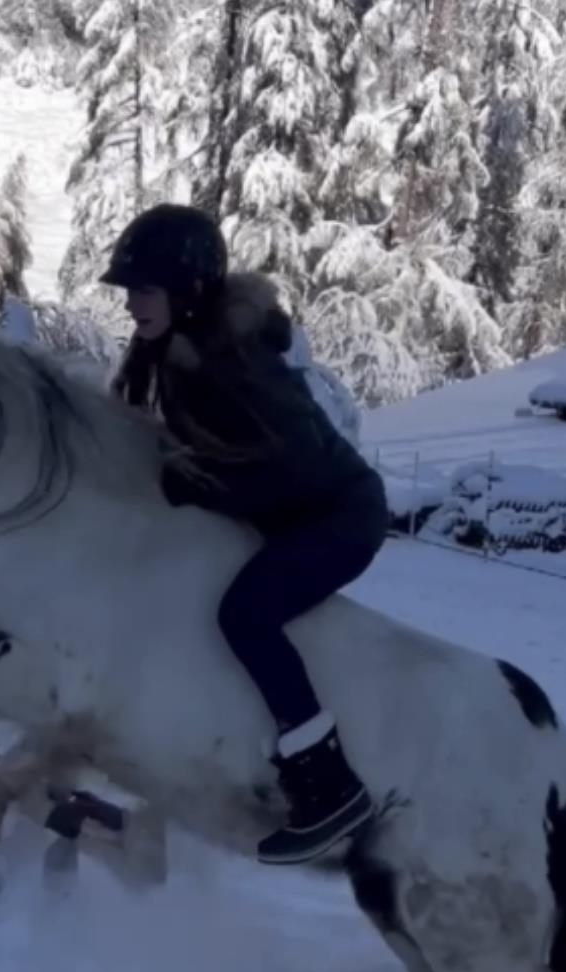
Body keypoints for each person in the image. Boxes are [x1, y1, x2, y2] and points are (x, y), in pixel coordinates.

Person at [101, 203, 390, 865]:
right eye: (128, 292)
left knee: (246, 614)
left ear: (188, 290)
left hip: (340, 517)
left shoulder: (236, 363)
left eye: (142, 290)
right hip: (296, 511)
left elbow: (287, 470)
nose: (130, 307)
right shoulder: (172, 354)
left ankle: (327, 779)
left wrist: (194, 484)